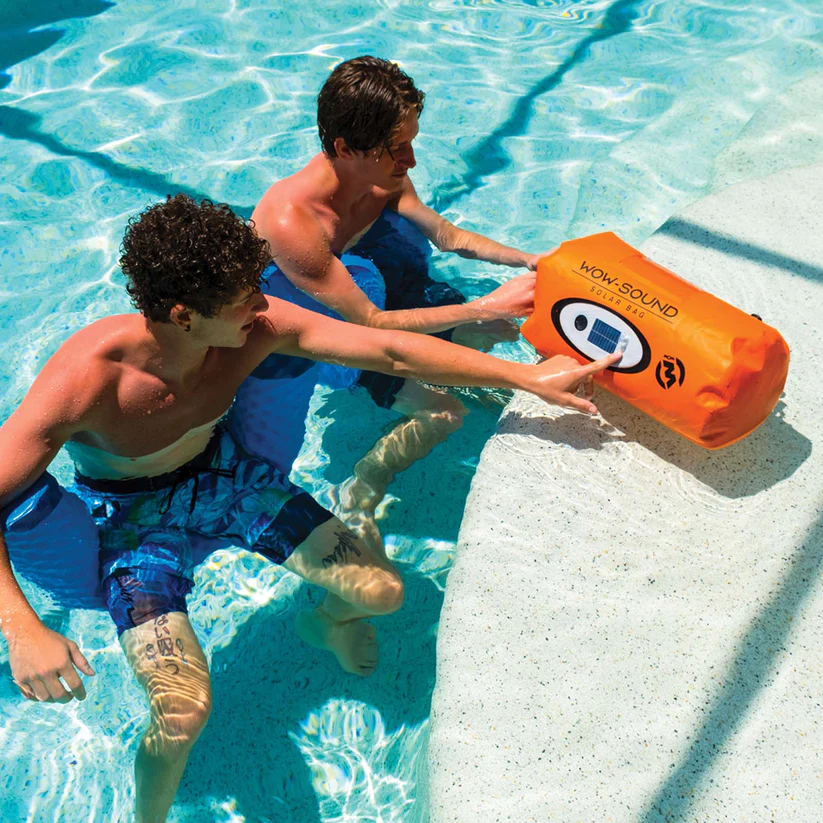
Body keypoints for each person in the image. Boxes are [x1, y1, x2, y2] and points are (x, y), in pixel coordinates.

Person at [0, 195, 616, 823]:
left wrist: (523, 379)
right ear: (184, 315)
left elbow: (387, 352)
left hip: (228, 480)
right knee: (182, 714)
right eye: (243, 300)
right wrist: (23, 630)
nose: (262, 306)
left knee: (382, 593)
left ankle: (325, 624)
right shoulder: (90, 378)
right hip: (134, 526)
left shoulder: (254, 327)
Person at [239, 55, 553, 516]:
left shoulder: (381, 176)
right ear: (346, 148)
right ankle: (362, 489)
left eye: (410, 142)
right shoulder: (293, 222)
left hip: (370, 283)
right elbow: (369, 324)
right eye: (397, 148)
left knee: (493, 336)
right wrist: (487, 305)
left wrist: (530, 259)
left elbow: (449, 237)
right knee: (447, 413)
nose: (411, 159)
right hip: (325, 329)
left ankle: (471, 374)